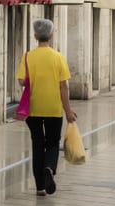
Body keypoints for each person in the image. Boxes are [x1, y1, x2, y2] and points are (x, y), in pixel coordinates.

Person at [17, 19, 77, 196]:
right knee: (52, 143)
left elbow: (21, 80)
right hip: (53, 108)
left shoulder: (28, 57)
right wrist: (68, 111)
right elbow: (63, 86)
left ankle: (40, 187)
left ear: (35, 36)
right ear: (51, 36)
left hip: (33, 109)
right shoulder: (58, 57)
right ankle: (49, 168)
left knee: (37, 144)